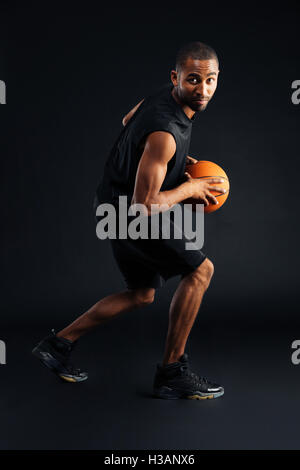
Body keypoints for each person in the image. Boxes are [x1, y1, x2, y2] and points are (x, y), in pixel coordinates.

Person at [32, 41, 227, 400]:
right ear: (177, 77)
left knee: (141, 294)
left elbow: (127, 121)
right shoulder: (166, 133)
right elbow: (145, 205)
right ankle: (171, 372)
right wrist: (190, 188)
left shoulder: (163, 99)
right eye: (194, 80)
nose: (203, 89)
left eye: (210, 80)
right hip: (128, 213)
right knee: (201, 271)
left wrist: (172, 163)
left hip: (110, 202)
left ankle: (57, 345)